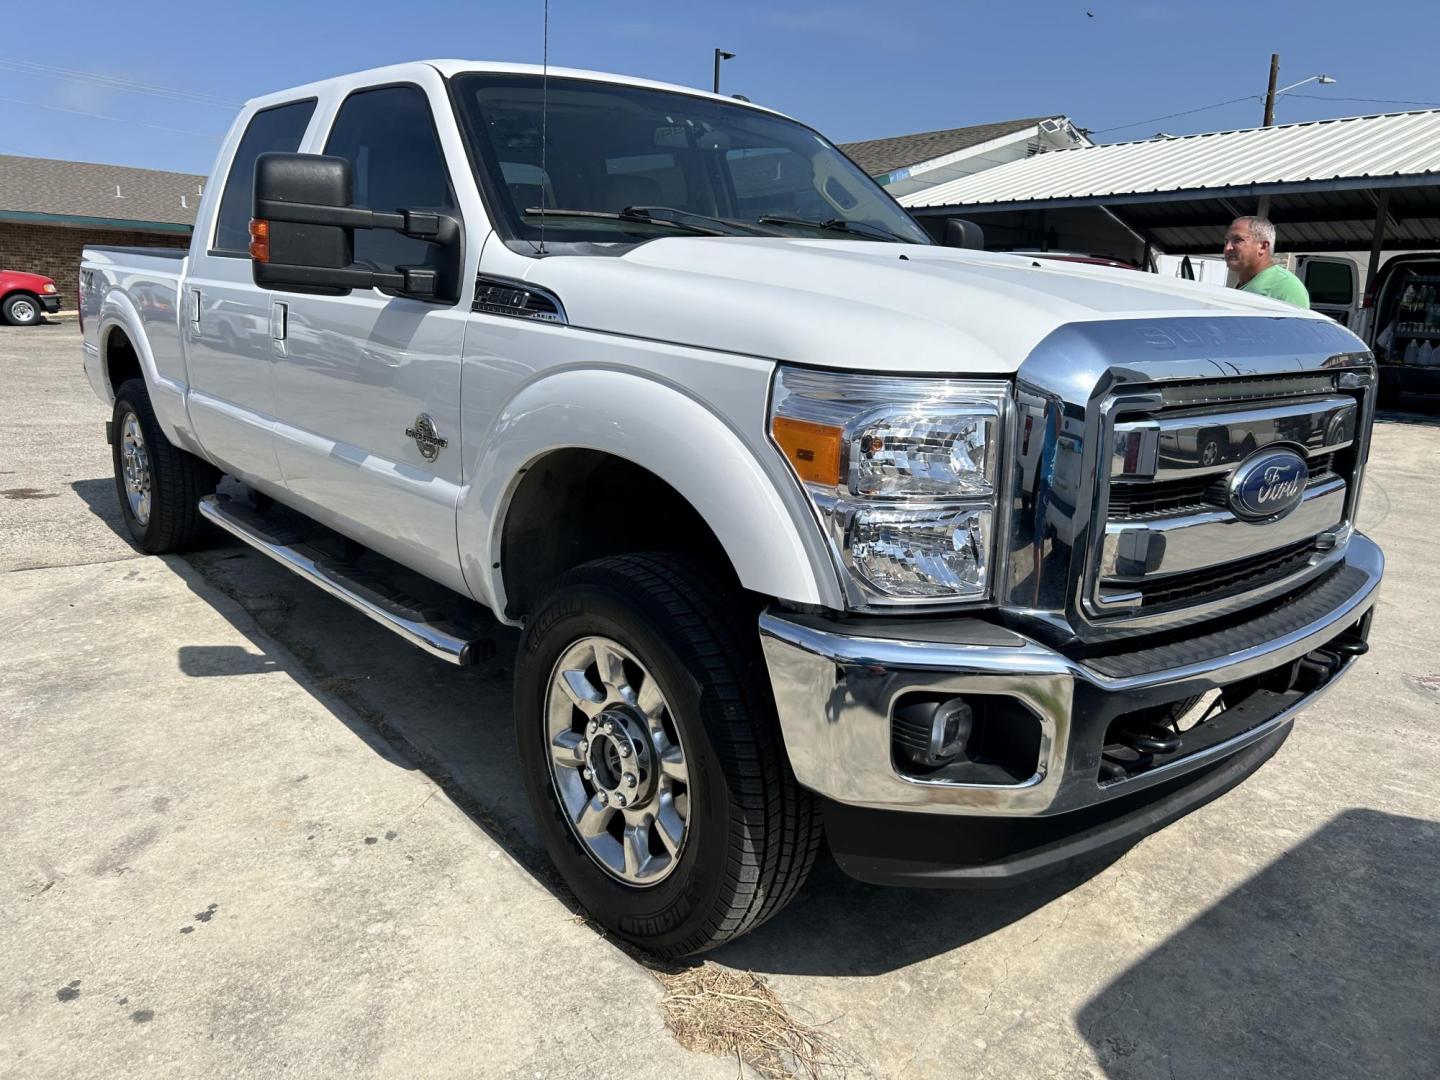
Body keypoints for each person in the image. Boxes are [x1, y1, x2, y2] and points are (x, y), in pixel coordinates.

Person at [1222, 216, 1309, 308]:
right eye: (1226, 241)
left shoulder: (1284, 287)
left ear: (1263, 247)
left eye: (1238, 240)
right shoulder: (1242, 284)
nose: (1227, 248)